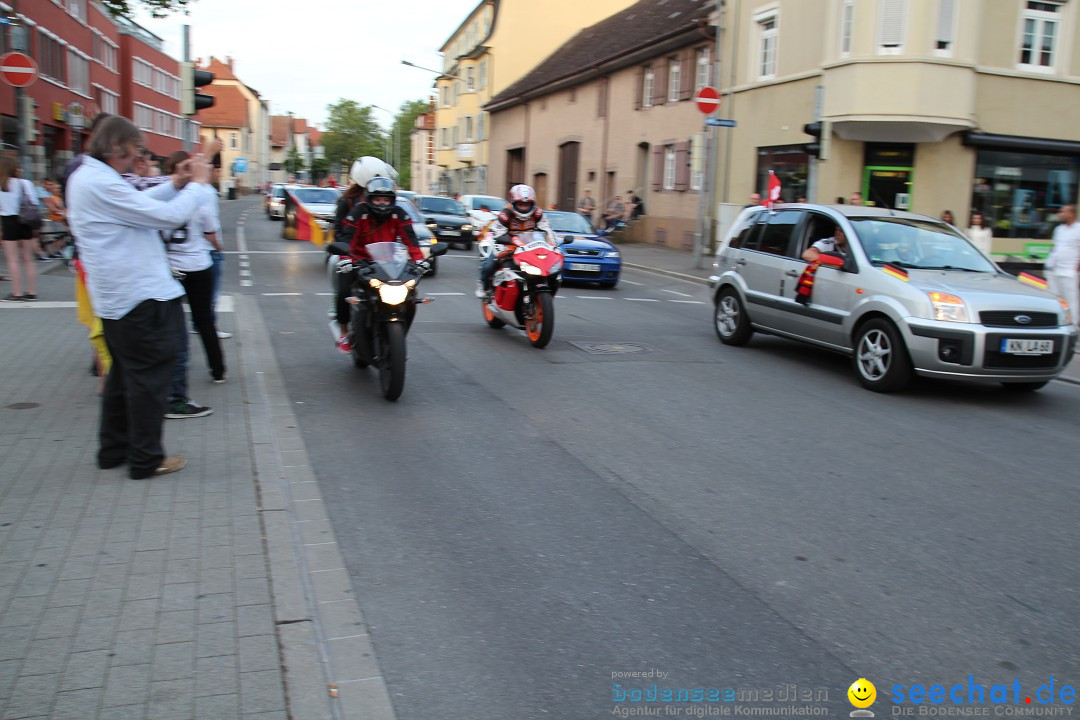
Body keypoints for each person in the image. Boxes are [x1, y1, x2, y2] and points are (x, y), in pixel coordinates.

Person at [66, 115, 215, 479]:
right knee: (149, 380)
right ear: (116, 146)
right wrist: (196, 185)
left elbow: (136, 206)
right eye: (135, 149)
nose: (139, 157)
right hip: (141, 298)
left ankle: (113, 450)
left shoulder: (90, 178)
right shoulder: (99, 182)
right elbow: (164, 217)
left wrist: (175, 183)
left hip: (120, 300)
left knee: (122, 378)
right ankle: (146, 459)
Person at [161, 150, 225, 419]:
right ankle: (217, 369)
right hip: (197, 266)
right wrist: (219, 248)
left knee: (169, 324)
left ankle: (168, 376)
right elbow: (210, 232)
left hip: (170, 267)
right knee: (203, 320)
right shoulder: (200, 200)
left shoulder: (164, 198)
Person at [334, 176, 425, 353]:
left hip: (388, 262)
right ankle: (344, 332)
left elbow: (411, 239)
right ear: (369, 199)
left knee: (411, 294)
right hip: (359, 261)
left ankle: (398, 334)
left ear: (392, 200)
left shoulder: (399, 213)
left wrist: (420, 260)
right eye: (377, 199)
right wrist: (345, 259)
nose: (382, 203)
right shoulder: (358, 212)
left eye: (386, 199)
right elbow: (347, 239)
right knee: (344, 290)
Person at [475, 184, 556, 298]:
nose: (523, 207)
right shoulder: (506, 214)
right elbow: (497, 233)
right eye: (520, 204)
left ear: (532, 204)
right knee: (490, 263)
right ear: (513, 202)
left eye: (527, 204)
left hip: (530, 245)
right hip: (507, 244)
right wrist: (507, 241)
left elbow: (547, 230)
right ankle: (482, 284)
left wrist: (552, 244)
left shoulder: (538, 213)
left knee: (551, 264)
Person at [0, 156, 41, 301]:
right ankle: (31, 292)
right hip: (25, 221)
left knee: (13, 259)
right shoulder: (25, 183)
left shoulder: (1, 184)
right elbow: (34, 203)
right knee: (28, 259)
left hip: (8, 221)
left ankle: (16, 292)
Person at [1045, 204, 1080, 326]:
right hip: (1054, 269)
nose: (1061, 214)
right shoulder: (1059, 229)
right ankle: (1056, 322)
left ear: (1071, 214)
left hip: (1069, 270)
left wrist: (1077, 268)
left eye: (1063, 212)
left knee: (1071, 299)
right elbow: (1055, 247)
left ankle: (1073, 324)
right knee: (1054, 297)